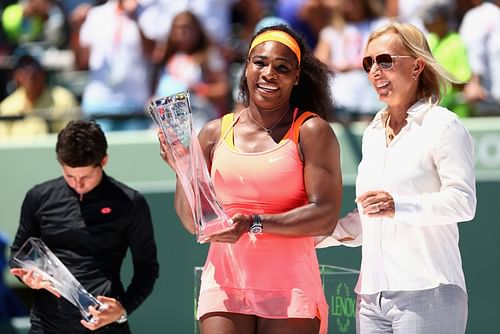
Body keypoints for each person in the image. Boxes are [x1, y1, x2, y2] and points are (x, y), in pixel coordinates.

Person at [158, 24, 342, 333]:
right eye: (260, 62)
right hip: (225, 283)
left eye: (282, 67)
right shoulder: (214, 132)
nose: (269, 73)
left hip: (291, 284)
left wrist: (256, 222)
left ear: (296, 77)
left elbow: (324, 215)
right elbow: (194, 223)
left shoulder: (312, 131)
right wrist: (183, 168)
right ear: (246, 68)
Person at [318, 20, 477, 333]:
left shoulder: (444, 125)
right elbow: (368, 218)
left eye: (385, 60)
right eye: (369, 63)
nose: (375, 71)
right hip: (370, 296)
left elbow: (463, 203)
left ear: (417, 65)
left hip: (429, 292)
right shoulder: (372, 133)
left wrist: (398, 206)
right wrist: (313, 237)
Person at [9, 120, 159, 333]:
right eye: (69, 175)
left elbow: (147, 269)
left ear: (104, 161)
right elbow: (17, 254)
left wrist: (122, 308)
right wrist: (26, 275)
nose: (78, 184)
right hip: (47, 325)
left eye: (86, 176)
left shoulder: (129, 202)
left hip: (105, 326)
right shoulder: (38, 197)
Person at [0, 54, 78, 138]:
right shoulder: (7, 106)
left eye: (34, 67)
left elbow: (71, 139)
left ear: (43, 72)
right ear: (15, 76)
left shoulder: (64, 98)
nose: (30, 74)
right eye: (23, 69)